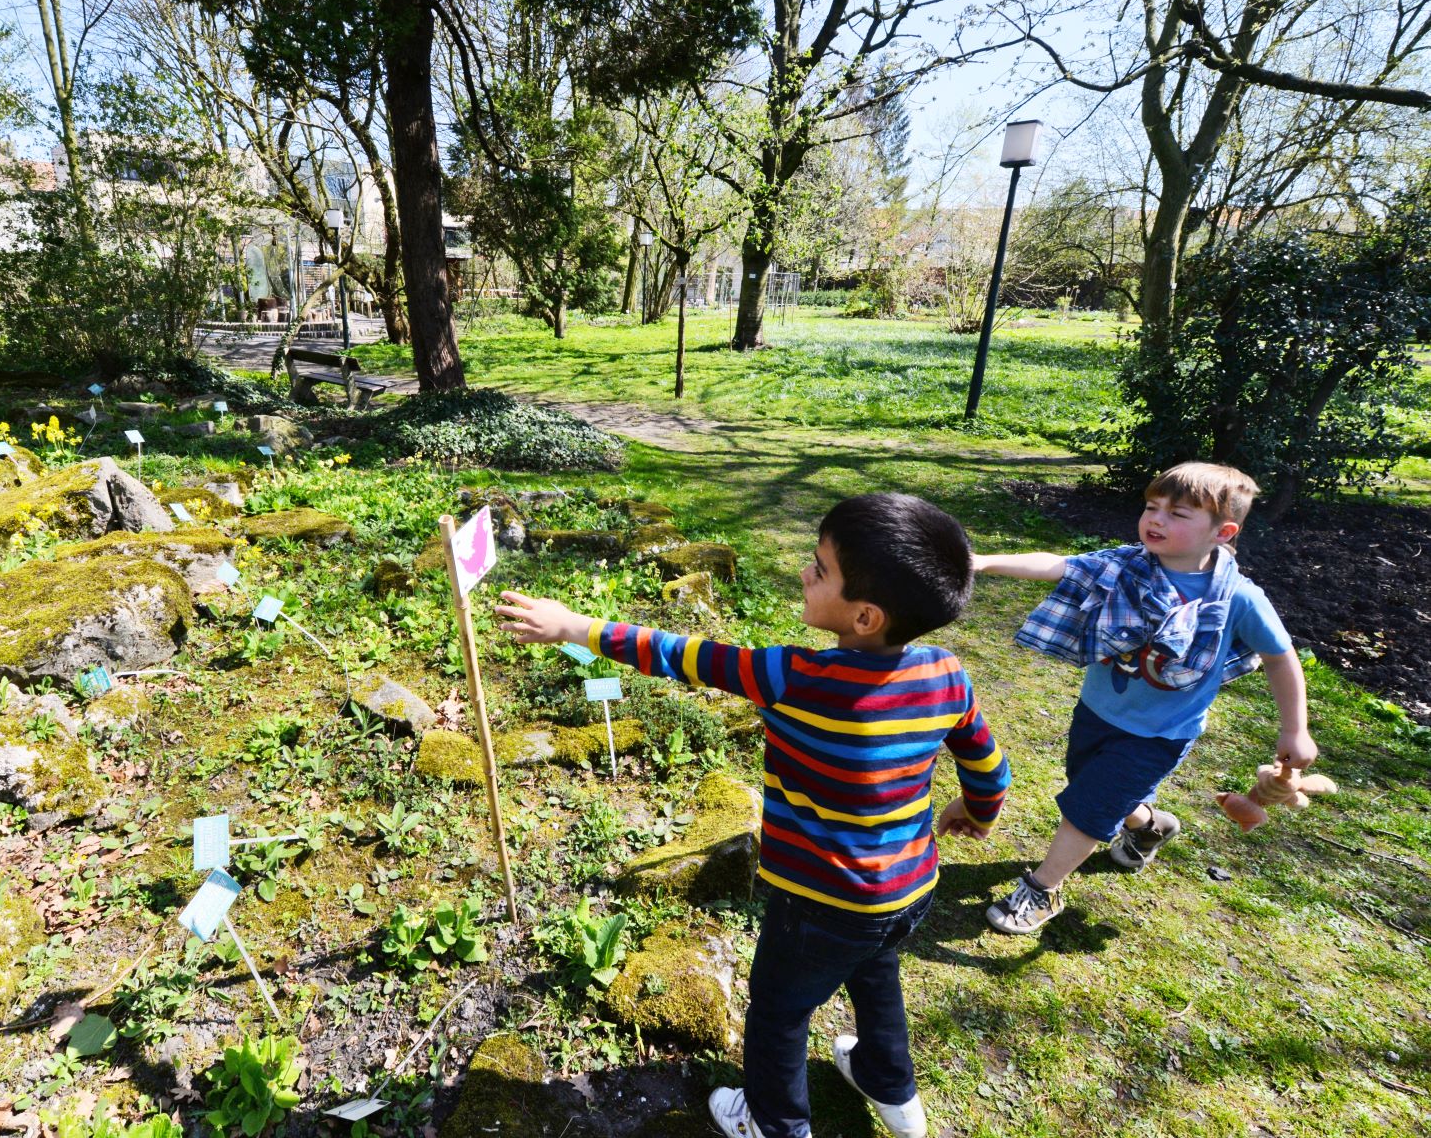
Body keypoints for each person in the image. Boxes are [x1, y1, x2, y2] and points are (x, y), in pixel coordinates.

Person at [495, 493, 1009, 1138]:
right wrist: (978, 812)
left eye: (819, 570)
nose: (804, 574)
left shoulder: (792, 677)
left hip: (821, 902)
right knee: (876, 975)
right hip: (909, 889)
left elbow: (679, 653)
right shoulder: (946, 673)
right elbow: (989, 762)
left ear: (866, 616)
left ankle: (773, 1122)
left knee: (777, 1013)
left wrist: (574, 627)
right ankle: (892, 1091)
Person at [973, 462, 1315, 937]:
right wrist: (986, 562)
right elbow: (1059, 565)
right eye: (1152, 507)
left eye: (1178, 513)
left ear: (1223, 532)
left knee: (1088, 808)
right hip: (1097, 713)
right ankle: (1149, 825)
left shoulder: (1239, 598)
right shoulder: (1125, 566)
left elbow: (1280, 658)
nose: (1156, 519)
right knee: (1091, 787)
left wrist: (1293, 728)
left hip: (1159, 734)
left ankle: (1043, 888)